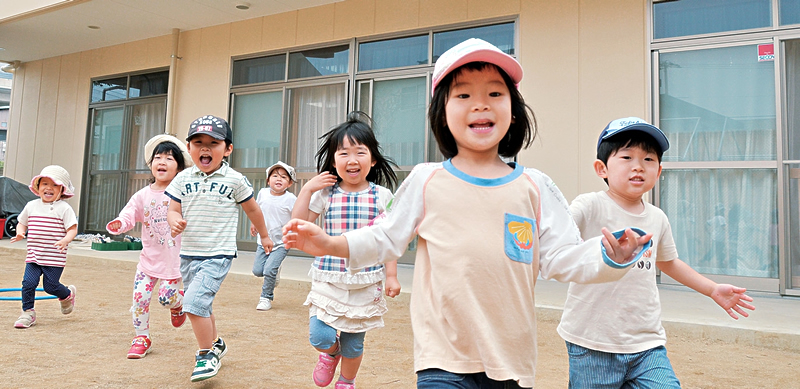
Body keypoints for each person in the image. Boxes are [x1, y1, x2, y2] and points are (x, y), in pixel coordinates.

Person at [283, 38, 653, 389]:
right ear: (442, 112)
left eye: (495, 93)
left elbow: (561, 257)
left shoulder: (534, 186)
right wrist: (332, 243)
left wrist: (608, 257)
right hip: (443, 355)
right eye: (463, 94)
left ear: (514, 109)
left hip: (511, 358)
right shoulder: (427, 180)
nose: (480, 104)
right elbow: (385, 235)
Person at [557, 117, 756, 388]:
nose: (638, 166)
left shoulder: (657, 217)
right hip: (593, 342)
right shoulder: (590, 205)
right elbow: (558, 231)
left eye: (648, 159)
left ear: (659, 171)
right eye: (627, 156)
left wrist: (711, 289)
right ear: (601, 168)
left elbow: (669, 262)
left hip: (646, 343)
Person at [291, 111, 401, 389]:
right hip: (328, 277)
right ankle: (330, 355)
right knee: (319, 336)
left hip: (365, 280)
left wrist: (391, 276)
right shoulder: (325, 194)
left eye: (360, 152)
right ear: (333, 161)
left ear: (373, 159)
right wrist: (307, 191)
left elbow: (388, 240)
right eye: (343, 153)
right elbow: (299, 224)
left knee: (354, 343)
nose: (352, 160)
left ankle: (347, 381)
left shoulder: (382, 196)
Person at [166, 115, 271, 382]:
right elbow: (172, 208)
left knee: (193, 303)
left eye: (213, 143)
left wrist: (265, 235)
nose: (205, 148)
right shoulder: (182, 179)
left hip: (218, 253)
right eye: (198, 142)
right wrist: (174, 220)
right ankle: (215, 342)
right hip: (189, 253)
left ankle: (205, 355)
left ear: (228, 149)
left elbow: (253, 209)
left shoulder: (234, 180)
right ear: (188, 148)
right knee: (203, 303)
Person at [106, 134, 191, 358]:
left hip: (174, 260)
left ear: (180, 169)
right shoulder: (142, 195)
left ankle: (178, 304)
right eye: (158, 157)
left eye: (170, 159)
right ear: (151, 164)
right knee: (140, 299)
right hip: (148, 260)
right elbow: (129, 214)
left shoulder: (183, 195)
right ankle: (141, 336)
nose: (162, 162)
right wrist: (120, 224)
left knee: (166, 298)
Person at [11, 165, 78, 328]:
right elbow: (22, 222)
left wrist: (65, 240)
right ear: (38, 187)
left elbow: (73, 229)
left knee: (50, 286)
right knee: (28, 283)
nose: (49, 188)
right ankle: (27, 313)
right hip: (34, 255)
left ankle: (67, 294)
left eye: (54, 185)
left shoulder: (64, 208)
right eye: (45, 184)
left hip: (54, 256)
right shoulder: (31, 205)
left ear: (62, 190)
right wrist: (20, 233)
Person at [250, 161, 297, 311]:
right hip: (263, 240)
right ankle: (274, 273)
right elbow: (256, 210)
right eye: (275, 176)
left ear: (289, 183)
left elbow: (297, 217)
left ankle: (266, 298)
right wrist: (254, 224)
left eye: (284, 177)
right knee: (258, 271)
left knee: (269, 270)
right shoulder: (262, 193)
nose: (279, 179)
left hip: (282, 243)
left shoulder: (291, 199)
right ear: (268, 180)